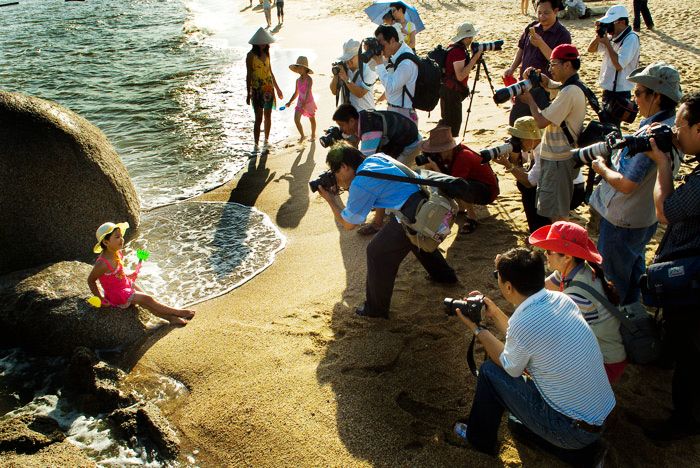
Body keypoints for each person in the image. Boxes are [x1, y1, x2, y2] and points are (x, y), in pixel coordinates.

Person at [453, 247, 614, 457]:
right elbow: (525, 338)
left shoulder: (524, 322)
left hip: (572, 430)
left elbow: (509, 367)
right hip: (600, 415)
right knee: (517, 421)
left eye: (498, 277)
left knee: (490, 372)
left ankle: (479, 439)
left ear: (508, 287)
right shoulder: (561, 300)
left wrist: (477, 329)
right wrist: (493, 311)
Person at [316, 143, 457, 318]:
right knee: (412, 238)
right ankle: (444, 276)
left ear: (344, 166)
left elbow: (349, 224)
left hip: (414, 216)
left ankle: (375, 310)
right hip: (425, 205)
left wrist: (330, 199)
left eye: (336, 172)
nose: (337, 178)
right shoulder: (377, 158)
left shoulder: (362, 181)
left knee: (377, 252)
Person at [589, 62, 682, 307]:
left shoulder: (651, 135)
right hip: (645, 217)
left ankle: (620, 328)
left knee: (611, 282)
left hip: (623, 218)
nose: (635, 99)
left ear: (657, 96)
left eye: (639, 92)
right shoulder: (672, 127)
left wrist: (601, 167)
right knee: (632, 270)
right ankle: (633, 315)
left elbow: (627, 183)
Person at [641, 92, 700, 441]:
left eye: (680, 126)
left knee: (690, 350)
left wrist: (663, 164)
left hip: (692, 280)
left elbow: (665, 212)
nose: (675, 133)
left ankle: (685, 420)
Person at [529, 221, 627, 383]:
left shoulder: (575, 296)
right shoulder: (577, 270)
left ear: (567, 257)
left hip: (605, 364)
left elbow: (554, 334)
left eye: (549, 251)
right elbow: (538, 289)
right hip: (609, 351)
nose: (545, 255)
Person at [332, 103, 422, 235]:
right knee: (378, 182)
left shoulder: (369, 131)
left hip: (410, 145)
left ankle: (380, 223)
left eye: (342, 125)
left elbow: (365, 168)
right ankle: (382, 215)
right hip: (400, 141)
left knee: (377, 180)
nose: (341, 129)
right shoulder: (362, 117)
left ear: (352, 121)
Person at [522, 44, 587, 222]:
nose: (550, 69)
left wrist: (530, 101)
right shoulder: (571, 87)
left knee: (557, 215)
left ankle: (561, 249)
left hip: (559, 160)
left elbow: (542, 121)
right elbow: (556, 87)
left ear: (567, 65)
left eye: (553, 64)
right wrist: (542, 81)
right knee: (554, 210)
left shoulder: (570, 91)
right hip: (558, 159)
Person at [87, 222, 195, 326]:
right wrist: (100, 298)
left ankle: (171, 318)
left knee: (146, 301)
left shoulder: (116, 252)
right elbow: (90, 280)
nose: (122, 239)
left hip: (125, 284)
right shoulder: (102, 264)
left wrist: (129, 275)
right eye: (117, 237)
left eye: (121, 236)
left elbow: (117, 273)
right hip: (117, 295)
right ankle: (179, 312)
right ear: (106, 242)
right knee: (148, 299)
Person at [492, 116, 585, 233]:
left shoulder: (544, 150)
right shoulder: (537, 143)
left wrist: (509, 165)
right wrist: (514, 158)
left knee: (529, 190)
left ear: (531, 137)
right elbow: (523, 166)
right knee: (523, 183)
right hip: (563, 187)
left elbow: (530, 182)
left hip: (572, 192)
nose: (517, 141)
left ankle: (539, 230)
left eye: (519, 138)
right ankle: (541, 225)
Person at [419, 125, 499, 233]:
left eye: (436, 151)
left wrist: (435, 169)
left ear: (448, 149)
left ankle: (472, 217)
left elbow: (452, 184)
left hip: (487, 191)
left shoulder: (463, 156)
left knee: (458, 186)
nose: (434, 154)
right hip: (472, 182)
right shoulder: (450, 154)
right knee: (455, 182)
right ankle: (461, 208)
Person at [503, 0, 571, 125]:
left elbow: (558, 62)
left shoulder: (563, 34)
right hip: (524, 84)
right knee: (516, 122)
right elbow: (521, 49)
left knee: (538, 124)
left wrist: (541, 44)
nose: (541, 17)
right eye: (539, 13)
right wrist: (512, 68)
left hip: (544, 88)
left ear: (555, 11)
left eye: (546, 13)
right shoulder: (532, 27)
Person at [586, 5, 640, 128]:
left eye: (610, 23)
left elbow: (619, 65)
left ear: (621, 22)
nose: (608, 27)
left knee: (612, 127)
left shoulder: (631, 38)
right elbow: (591, 50)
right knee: (608, 125)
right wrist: (598, 37)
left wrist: (607, 44)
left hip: (620, 92)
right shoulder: (612, 37)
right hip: (608, 90)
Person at [439, 23, 483, 137]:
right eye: (471, 37)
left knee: (447, 122)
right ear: (466, 38)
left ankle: (444, 147)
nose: (472, 39)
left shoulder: (455, 48)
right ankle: (448, 150)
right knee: (453, 126)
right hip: (451, 93)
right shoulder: (458, 52)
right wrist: (475, 58)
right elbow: (460, 76)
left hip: (447, 90)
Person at [246, 27, 283, 151]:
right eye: (260, 42)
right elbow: (249, 75)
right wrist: (248, 93)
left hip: (268, 89)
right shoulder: (250, 56)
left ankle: (266, 140)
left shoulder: (267, 53)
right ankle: (256, 144)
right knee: (258, 118)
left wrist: (277, 89)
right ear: (256, 43)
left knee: (268, 115)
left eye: (264, 42)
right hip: (256, 90)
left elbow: (270, 72)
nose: (263, 44)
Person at [372, 25, 419, 123]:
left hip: (403, 114)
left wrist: (380, 64)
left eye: (382, 45)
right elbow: (370, 67)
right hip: (396, 110)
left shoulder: (406, 62)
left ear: (392, 40)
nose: (380, 49)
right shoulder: (396, 55)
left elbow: (390, 87)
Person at [329, 39, 377, 112]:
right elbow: (334, 91)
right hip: (347, 115)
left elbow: (360, 93)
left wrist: (346, 79)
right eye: (346, 58)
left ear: (359, 55)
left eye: (350, 57)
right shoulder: (344, 68)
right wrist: (336, 75)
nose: (348, 60)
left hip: (365, 114)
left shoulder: (369, 70)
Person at [285, 56, 317, 143]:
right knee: (296, 119)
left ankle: (313, 134)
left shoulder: (309, 79)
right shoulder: (297, 80)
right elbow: (296, 93)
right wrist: (290, 101)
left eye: (300, 67)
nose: (298, 69)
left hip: (308, 102)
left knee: (312, 119)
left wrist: (305, 103)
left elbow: (308, 91)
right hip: (300, 102)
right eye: (297, 67)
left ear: (305, 68)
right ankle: (302, 135)